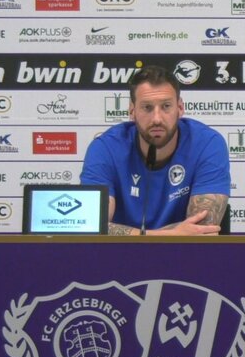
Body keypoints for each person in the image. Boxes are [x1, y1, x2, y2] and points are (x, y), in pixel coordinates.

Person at [82, 65, 230, 235]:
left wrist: (137, 235)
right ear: (132, 111)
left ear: (180, 108)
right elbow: (92, 226)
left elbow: (202, 230)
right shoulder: (104, 148)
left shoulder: (208, 144)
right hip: (120, 252)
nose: (157, 119)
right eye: (147, 107)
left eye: (166, 106)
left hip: (185, 252)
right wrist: (167, 235)